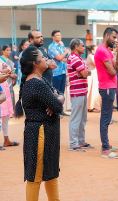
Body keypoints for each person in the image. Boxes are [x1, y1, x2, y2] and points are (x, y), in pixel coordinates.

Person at [16, 46, 64, 201]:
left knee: (50, 174)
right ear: (35, 63)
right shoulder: (36, 83)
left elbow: (59, 97)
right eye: (43, 57)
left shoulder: (39, 80)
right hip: (40, 134)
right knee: (35, 177)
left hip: (45, 133)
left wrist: (57, 99)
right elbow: (58, 105)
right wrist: (57, 100)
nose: (46, 59)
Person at [94, 27, 118, 158]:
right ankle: (105, 149)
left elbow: (117, 67)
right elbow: (112, 71)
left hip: (110, 86)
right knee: (105, 118)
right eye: (114, 37)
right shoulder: (102, 51)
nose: (115, 40)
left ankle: (106, 145)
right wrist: (115, 69)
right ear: (106, 36)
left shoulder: (108, 51)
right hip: (107, 87)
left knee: (108, 118)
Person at [67, 39, 93, 151]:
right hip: (77, 91)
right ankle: (74, 143)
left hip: (82, 90)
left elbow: (87, 72)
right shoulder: (74, 58)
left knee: (82, 118)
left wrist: (84, 72)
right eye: (82, 46)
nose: (84, 47)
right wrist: (84, 72)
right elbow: (85, 73)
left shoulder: (78, 58)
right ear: (76, 46)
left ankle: (81, 141)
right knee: (76, 118)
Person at [0, 45, 19, 147]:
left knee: (6, 116)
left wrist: (11, 75)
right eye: (7, 50)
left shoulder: (8, 61)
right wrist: (8, 74)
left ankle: (6, 139)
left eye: (9, 50)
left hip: (6, 88)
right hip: (1, 87)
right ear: (3, 51)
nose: (9, 52)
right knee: (1, 114)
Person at [48, 30, 70, 95]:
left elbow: (67, 57)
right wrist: (65, 52)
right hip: (56, 73)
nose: (59, 36)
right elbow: (60, 58)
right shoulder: (52, 47)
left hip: (63, 72)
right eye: (57, 35)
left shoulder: (61, 46)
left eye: (60, 35)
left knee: (62, 94)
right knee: (56, 94)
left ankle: (60, 105)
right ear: (53, 37)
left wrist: (64, 55)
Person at [86, 45, 101, 112]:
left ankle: (92, 106)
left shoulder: (94, 56)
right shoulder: (90, 56)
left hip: (95, 75)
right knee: (89, 90)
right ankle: (88, 106)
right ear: (92, 50)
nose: (97, 51)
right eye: (96, 49)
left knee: (94, 91)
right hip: (90, 75)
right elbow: (96, 63)